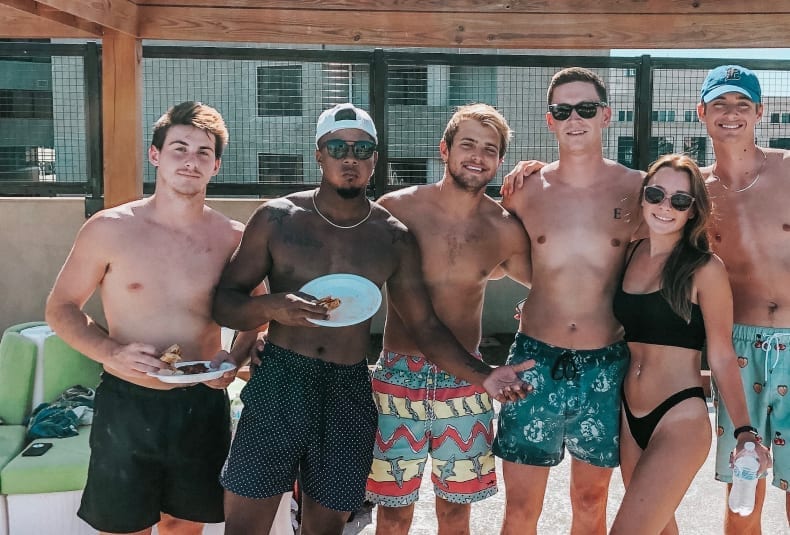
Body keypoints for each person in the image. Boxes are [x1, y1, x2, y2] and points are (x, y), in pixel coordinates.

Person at [211, 102, 533, 535]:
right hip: (281, 380)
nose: (350, 157)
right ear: (319, 153)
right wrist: (271, 310)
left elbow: (425, 325)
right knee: (246, 526)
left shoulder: (390, 234)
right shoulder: (278, 218)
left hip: (348, 386)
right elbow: (224, 303)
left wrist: (485, 374)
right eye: (338, 146)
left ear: (374, 160)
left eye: (362, 149)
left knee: (325, 527)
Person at [45, 101, 261, 535]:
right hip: (128, 400)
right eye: (179, 147)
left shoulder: (233, 237)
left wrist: (233, 359)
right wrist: (112, 352)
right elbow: (61, 308)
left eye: (204, 152)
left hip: (200, 404)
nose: (191, 160)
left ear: (216, 166)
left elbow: (259, 314)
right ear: (155, 155)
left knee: (183, 525)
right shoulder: (110, 229)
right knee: (124, 529)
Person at [364, 103, 532, 535]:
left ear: (499, 161)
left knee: (455, 512)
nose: (477, 156)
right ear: (445, 149)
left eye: (490, 149)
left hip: (469, 378)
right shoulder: (396, 208)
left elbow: (553, 285)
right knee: (394, 511)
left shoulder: (503, 227)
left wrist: (543, 183)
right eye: (468, 145)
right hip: (398, 374)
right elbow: (347, 278)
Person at [494, 67, 644, 535]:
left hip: (606, 363)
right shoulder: (524, 190)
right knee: (520, 510)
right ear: (550, 120)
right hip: (534, 359)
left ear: (606, 115)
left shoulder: (640, 188)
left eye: (586, 108)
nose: (574, 118)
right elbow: (496, 253)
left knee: (590, 501)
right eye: (563, 110)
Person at [609, 154, 771, 535]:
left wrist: (745, 430)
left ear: (693, 210)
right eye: (657, 194)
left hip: (677, 418)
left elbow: (721, 354)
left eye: (680, 200)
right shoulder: (630, 254)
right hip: (630, 416)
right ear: (643, 197)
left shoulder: (704, 268)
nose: (666, 206)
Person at [696, 64, 790, 532]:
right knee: (743, 490)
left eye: (742, 104)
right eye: (720, 104)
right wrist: (536, 169)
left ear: (759, 112)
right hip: (738, 350)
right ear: (702, 113)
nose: (730, 114)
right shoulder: (692, 189)